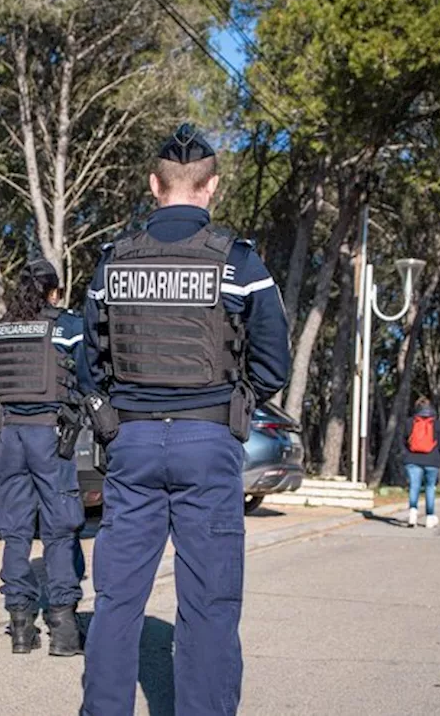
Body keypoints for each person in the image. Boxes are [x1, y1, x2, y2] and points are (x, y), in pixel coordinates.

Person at [79, 124, 291, 715]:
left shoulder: (112, 262)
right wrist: (234, 408)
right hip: (208, 438)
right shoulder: (241, 263)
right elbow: (274, 361)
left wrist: (112, 421)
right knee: (209, 601)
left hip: (133, 444)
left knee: (118, 599)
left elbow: (89, 361)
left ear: (154, 184)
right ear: (212, 186)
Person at [0, 258, 89, 656]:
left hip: (10, 436)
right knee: (59, 528)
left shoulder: (1, 330)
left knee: (14, 531)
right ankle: (63, 631)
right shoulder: (68, 327)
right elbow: (87, 375)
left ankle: (20, 628)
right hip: (50, 436)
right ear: (54, 291)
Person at [403, 396, 440, 528]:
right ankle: (429, 517)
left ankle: (412, 513)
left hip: (412, 459)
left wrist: (406, 453)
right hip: (432, 460)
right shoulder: (436, 423)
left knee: (414, 487)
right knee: (430, 488)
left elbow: (404, 440)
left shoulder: (410, 422)